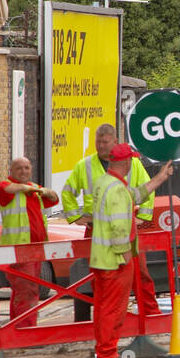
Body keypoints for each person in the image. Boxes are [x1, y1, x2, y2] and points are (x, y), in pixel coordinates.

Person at [61, 124, 159, 322]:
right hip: (96, 230)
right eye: (98, 142)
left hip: (125, 229)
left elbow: (146, 190)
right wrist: (77, 218)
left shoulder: (133, 164)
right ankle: (107, 318)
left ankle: (150, 314)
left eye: (105, 142)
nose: (100, 146)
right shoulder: (85, 165)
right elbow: (67, 192)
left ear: (115, 141)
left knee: (139, 274)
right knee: (102, 279)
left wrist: (142, 218)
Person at [90, 145, 173, 358]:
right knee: (113, 309)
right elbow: (119, 226)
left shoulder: (106, 183)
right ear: (126, 162)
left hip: (101, 257)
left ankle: (103, 349)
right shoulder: (117, 189)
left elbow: (135, 195)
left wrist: (160, 178)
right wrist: (125, 253)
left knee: (102, 306)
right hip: (115, 259)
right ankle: (107, 353)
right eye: (131, 161)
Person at [0, 157, 59, 327]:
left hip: (35, 249)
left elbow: (54, 198)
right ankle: (26, 330)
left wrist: (42, 190)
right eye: (19, 168)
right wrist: (28, 188)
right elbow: (8, 188)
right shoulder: (6, 187)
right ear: (11, 171)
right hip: (19, 249)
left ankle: (18, 328)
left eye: (26, 168)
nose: (24, 171)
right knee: (27, 291)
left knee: (24, 291)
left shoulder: (34, 190)